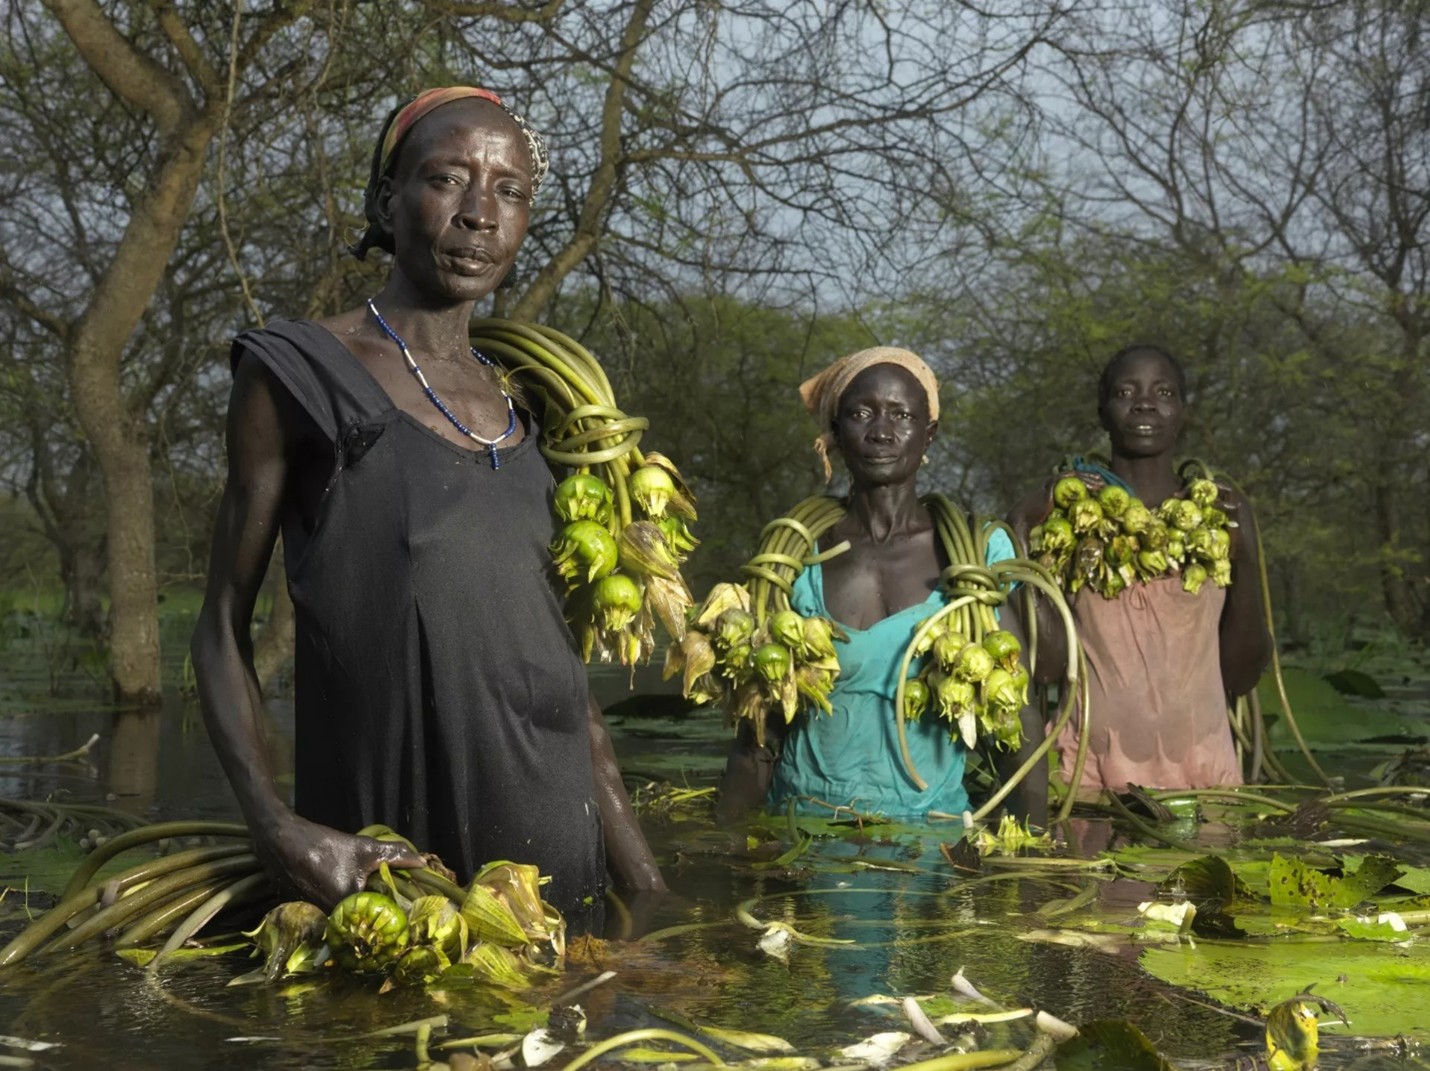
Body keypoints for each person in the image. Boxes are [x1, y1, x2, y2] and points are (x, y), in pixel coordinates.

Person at [190, 87, 665, 932]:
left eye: (510, 190)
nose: (481, 213)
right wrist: (279, 829)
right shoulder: (300, 373)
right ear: (387, 200)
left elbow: (565, 687)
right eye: (449, 178)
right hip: (396, 874)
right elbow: (222, 624)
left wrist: (651, 891)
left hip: (558, 867)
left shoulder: (535, 412)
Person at [716, 348, 1047, 825]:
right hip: (800, 837)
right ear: (835, 433)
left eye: (902, 415)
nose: (881, 432)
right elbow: (757, 736)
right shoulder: (793, 556)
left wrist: (1033, 847)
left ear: (928, 433)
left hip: (934, 843)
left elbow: (1021, 715)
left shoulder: (973, 553)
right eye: (861, 413)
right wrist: (723, 848)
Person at [1009, 343, 1273, 795]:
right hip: (1087, 778)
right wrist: (1019, 529)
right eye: (1126, 391)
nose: (1145, 402)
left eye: (1163, 392)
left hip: (1202, 778)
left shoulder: (1216, 517)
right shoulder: (1066, 517)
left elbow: (1243, 676)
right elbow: (1046, 667)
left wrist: (1244, 555)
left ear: (1183, 413)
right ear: (1103, 411)